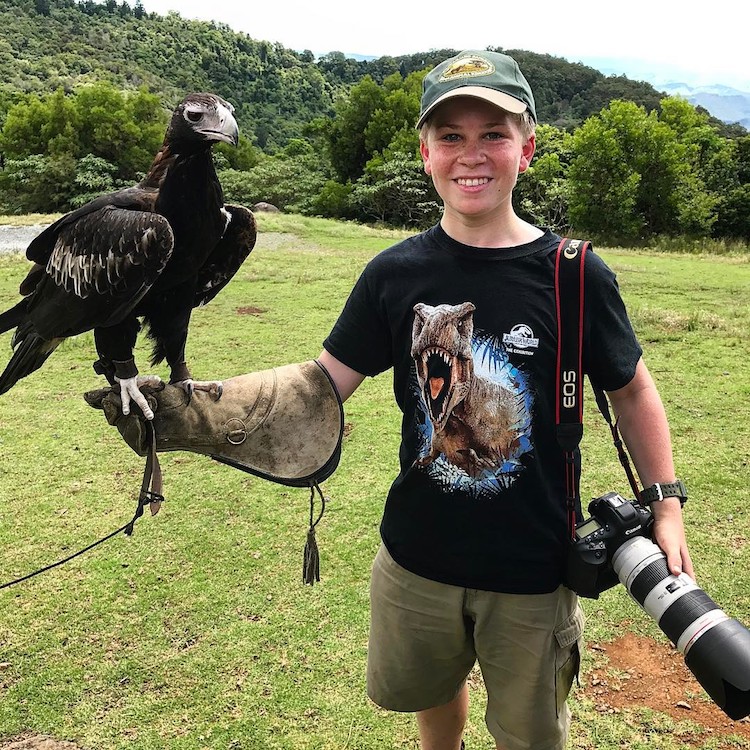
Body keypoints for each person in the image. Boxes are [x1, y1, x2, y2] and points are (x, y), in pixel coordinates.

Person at [318, 50, 694, 750]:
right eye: (451, 136)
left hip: (533, 569)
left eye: (493, 133)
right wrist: (208, 411)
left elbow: (633, 389)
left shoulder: (575, 275)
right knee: (432, 693)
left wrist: (666, 505)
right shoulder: (393, 274)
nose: (472, 154)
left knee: (529, 732)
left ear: (527, 148)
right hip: (418, 556)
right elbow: (322, 385)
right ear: (426, 153)